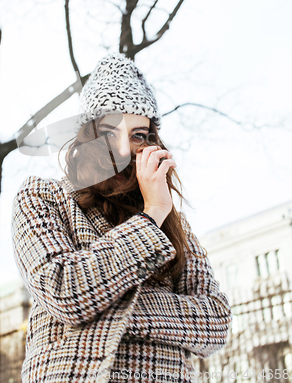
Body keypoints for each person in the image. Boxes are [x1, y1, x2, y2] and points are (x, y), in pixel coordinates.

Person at [12, 53, 232, 383]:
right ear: (89, 137)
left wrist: (105, 303)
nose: (124, 151)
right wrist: (150, 216)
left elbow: (215, 322)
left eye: (138, 135)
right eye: (110, 133)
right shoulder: (43, 197)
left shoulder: (174, 222)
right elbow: (62, 290)